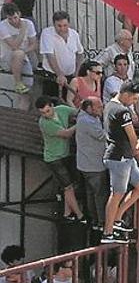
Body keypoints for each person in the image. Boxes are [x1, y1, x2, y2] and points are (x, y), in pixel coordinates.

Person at [102, 83, 139, 244]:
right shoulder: (122, 111)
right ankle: (107, 232)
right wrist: (138, 150)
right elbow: (132, 136)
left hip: (124, 156)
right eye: (134, 98)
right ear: (126, 94)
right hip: (119, 157)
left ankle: (117, 218)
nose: (134, 102)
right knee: (117, 194)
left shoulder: (110, 105)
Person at [37, 96, 85, 224]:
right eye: (42, 113)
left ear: (52, 106)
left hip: (64, 154)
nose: (46, 114)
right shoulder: (44, 123)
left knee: (68, 186)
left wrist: (82, 109)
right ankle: (80, 215)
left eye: (47, 111)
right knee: (68, 187)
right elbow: (66, 134)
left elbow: (77, 112)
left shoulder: (62, 109)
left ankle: (67, 213)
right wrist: (79, 123)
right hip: (53, 158)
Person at [75, 97, 109, 232]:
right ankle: (101, 222)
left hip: (86, 163)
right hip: (93, 165)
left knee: (91, 194)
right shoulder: (86, 120)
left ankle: (94, 220)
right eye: (99, 107)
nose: (102, 109)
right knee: (99, 194)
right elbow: (103, 135)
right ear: (89, 108)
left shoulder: (86, 117)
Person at [40, 11, 84, 99]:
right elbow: (50, 56)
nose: (62, 28)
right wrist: (59, 74)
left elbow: (80, 54)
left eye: (65, 25)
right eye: (59, 26)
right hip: (52, 77)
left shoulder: (74, 34)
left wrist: (76, 73)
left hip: (70, 77)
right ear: (54, 24)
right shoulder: (47, 33)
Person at [0, 2, 37, 94]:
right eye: (10, 19)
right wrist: (23, 30)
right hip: (9, 58)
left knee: (27, 92)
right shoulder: (2, 26)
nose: (13, 21)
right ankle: (18, 83)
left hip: (25, 56)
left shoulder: (29, 23)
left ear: (19, 14)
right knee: (18, 53)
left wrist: (24, 51)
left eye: (15, 17)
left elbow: (34, 44)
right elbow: (14, 46)